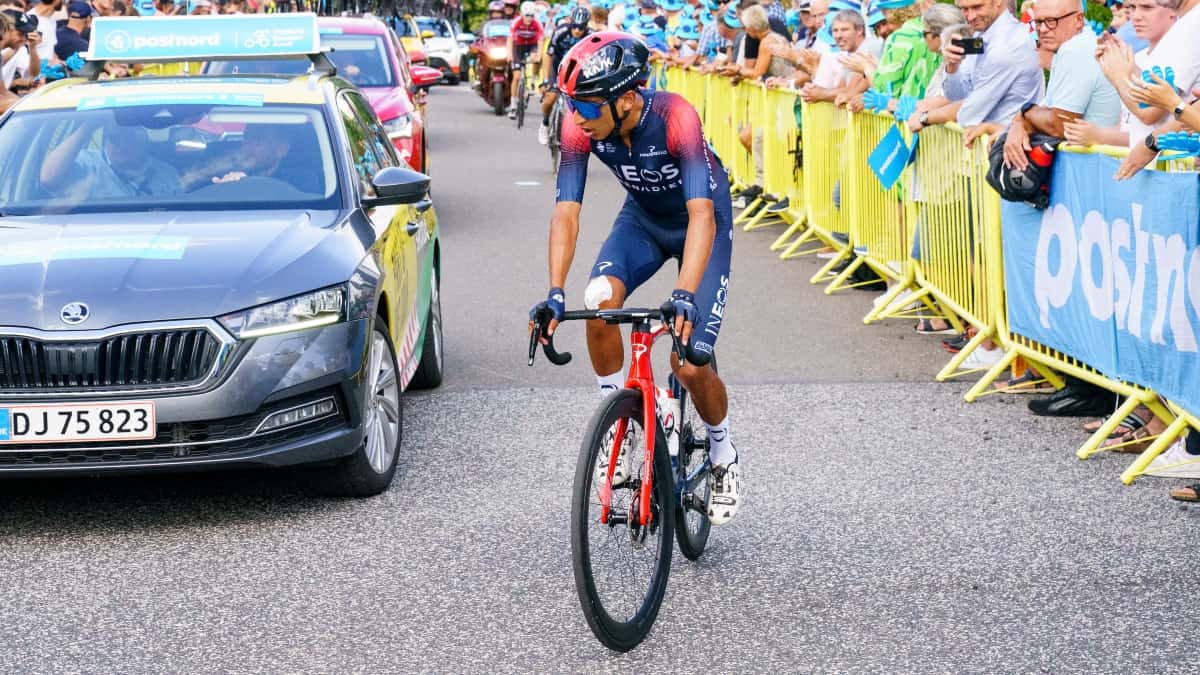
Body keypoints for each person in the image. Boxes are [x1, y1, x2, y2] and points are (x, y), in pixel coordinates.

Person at [529, 32, 742, 524]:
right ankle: (618, 426)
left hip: (702, 224)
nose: (577, 115)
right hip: (643, 222)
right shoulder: (580, 126)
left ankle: (722, 451)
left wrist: (684, 293)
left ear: (626, 99)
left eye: (586, 105)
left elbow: (701, 214)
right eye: (571, 104)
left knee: (689, 362)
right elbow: (566, 211)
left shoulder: (675, 117)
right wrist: (555, 291)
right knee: (598, 300)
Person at [998, 0, 1120, 172]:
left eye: (1051, 21)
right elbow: (1047, 112)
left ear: (1078, 20)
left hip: (1095, 171)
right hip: (1095, 168)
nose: (1043, 29)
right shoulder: (1075, 45)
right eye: (1038, 21)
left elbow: (1059, 125)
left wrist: (1026, 112)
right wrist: (1020, 122)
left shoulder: (1074, 50)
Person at [40, 122, 181, 200]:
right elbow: (49, 179)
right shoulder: (87, 163)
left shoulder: (167, 173)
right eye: (114, 138)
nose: (122, 145)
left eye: (129, 138)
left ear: (144, 140)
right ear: (105, 140)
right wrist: (87, 128)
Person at [539, 5, 592, 145]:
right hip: (558, 67)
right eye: (574, 26)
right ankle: (545, 123)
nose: (577, 30)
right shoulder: (560, 32)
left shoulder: (591, 36)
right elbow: (548, 56)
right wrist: (545, 79)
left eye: (581, 28)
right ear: (570, 22)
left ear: (586, 26)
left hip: (577, 71)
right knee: (550, 98)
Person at [506, 0, 543, 119]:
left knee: (536, 58)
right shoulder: (516, 22)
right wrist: (509, 54)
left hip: (532, 46)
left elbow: (540, 41)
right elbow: (510, 40)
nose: (529, 18)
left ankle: (532, 80)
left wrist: (539, 55)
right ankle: (513, 105)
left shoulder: (537, 23)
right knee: (516, 77)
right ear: (522, 14)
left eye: (532, 16)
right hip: (518, 47)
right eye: (527, 15)